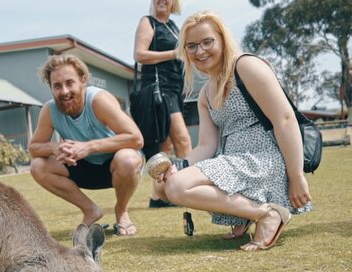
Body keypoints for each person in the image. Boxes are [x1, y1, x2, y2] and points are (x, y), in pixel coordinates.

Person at [154, 10, 312, 251]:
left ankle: (267, 213)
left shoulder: (245, 66)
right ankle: (246, 214)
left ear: (222, 39)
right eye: (192, 46)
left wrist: (297, 176)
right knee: (165, 186)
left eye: (207, 42)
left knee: (176, 187)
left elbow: (285, 120)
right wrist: (179, 166)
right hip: (234, 162)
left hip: (264, 160)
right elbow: (206, 146)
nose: (200, 51)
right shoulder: (205, 93)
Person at [28, 54, 144, 236]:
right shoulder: (49, 110)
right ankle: (91, 210)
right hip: (81, 168)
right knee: (38, 166)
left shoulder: (98, 101)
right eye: (57, 86)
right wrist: (54, 148)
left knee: (128, 159)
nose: (64, 91)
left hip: (116, 167)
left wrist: (88, 147)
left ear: (83, 80)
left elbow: (136, 138)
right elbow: (34, 148)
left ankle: (121, 212)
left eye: (69, 83)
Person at [133, 0, 192, 208]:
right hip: (160, 89)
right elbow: (139, 54)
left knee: (165, 145)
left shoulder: (174, 27)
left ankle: (158, 196)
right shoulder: (148, 22)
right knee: (183, 141)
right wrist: (174, 53)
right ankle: (187, 189)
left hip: (175, 89)